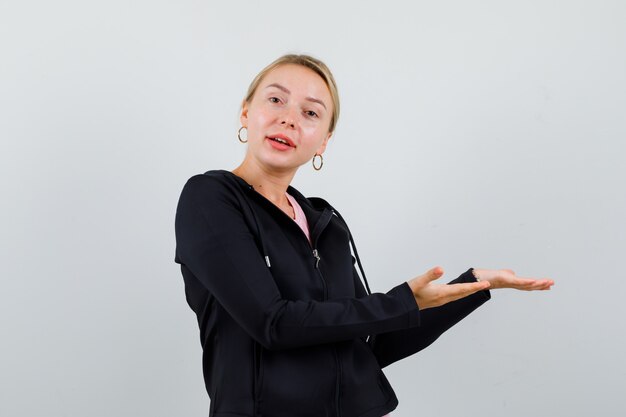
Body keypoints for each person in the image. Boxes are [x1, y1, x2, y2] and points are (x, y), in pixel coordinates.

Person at [174, 54, 554, 417]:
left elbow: (370, 341)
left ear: (323, 141)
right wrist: (403, 301)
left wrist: (469, 287)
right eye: (275, 100)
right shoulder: (210, 199)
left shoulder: (325, 223)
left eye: (310, 113)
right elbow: (273, 323)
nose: (289, 119)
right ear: (245, 112)